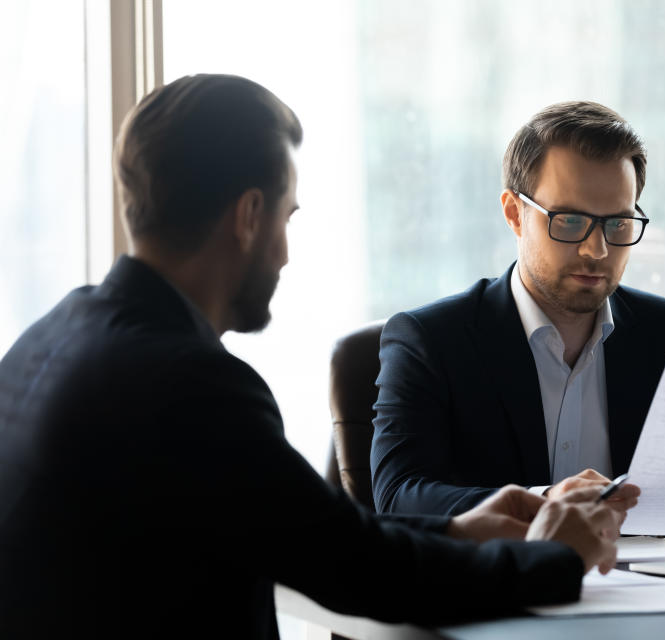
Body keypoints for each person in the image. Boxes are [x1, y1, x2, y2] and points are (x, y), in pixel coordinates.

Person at [0, 76, 630, 639]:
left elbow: (313, 534)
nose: (284, 254)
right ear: (249, 216)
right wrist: (554, 555)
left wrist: (461, 530)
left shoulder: (51, 338)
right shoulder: (189, 385)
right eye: (287, 216)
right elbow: (358, 572)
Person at [371, 101, 665, 546]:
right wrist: (544, 505)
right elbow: (399, 496)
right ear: (514, 213)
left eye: (618, 224)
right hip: (504, 597)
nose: (597, 250)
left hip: (653, 599)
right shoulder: (431, 340)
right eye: (570, 221)